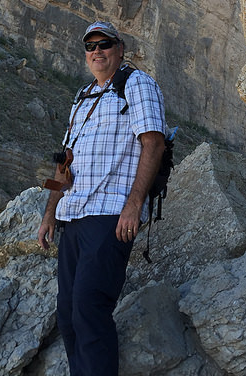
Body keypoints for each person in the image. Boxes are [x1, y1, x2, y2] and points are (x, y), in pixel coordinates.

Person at [38, 20, 166, 376]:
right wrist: (50, 213)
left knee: (89, 307)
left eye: (104, 44)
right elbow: (64, 162)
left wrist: (134, 204)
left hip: (111, 215)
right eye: (90, 46)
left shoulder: (136, 84)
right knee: (68, 314)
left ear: (119, 49)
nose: (97, 51)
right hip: (73, 217)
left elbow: (153, 143)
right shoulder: (83, 98)